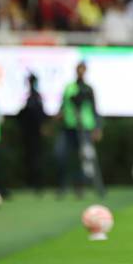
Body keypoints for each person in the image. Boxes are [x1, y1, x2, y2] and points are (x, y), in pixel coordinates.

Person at [55, 62, 105, 198]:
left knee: (85, 158)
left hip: (85, 128)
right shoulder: (69, 87)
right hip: (69, 127)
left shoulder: (88, 89)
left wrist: (97, 127)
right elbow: (63, 105)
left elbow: (95, 109)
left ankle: (81, 186)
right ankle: (63, 186)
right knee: (62, 155)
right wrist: (59, 115)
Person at [17, 73, 47, 195]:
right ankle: (32, 183)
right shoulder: (29, 96)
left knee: (35, 159)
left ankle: (37, 184)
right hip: (28, 133)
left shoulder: (35, 97)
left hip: (34, 134)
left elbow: (39, 114)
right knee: (30, 158)